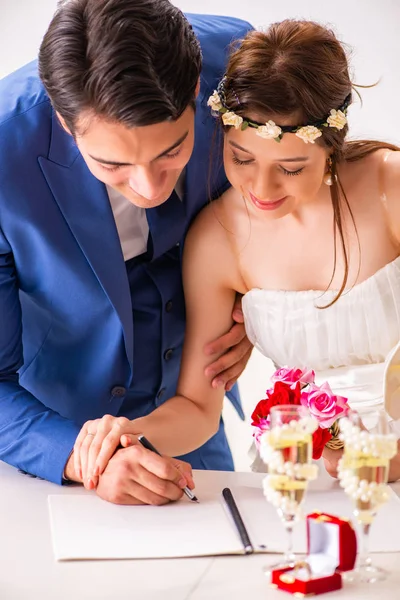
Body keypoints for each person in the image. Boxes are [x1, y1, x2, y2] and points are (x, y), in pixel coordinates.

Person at [82, 18, 400, 485]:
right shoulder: (217, 239)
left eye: (291, 168)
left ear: (331, 145)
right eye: (241, 158)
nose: (261, 188)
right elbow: (197, 407)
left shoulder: (388, 188)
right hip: (301, 480)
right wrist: (128, 436)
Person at [0, 0, 254, 505]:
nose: (148, 187)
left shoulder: (240, 67)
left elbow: (300, 200)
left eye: (171, 151)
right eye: (112, 164)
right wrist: (80, 455)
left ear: (198, 90)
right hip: (53, 425)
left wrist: (260, 307)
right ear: (65, 123)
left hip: (194, 404)